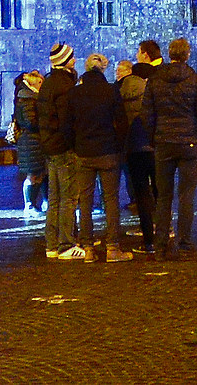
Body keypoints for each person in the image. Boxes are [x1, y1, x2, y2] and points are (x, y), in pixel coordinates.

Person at [138, 35, 197, 258]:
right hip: (189, 142)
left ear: (170, 54)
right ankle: (185, 241)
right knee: (187, 194)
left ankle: (160, 242)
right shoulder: (194, 80)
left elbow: (147, 113)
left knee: (163, 196)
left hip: (164, 143)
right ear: (187, 54)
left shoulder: (156, 79)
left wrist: (153, 138)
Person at [64, 53, 131, 262]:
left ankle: (88, 248)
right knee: (110, 200)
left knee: (85, 201)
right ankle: (112, 247)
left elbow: (67, 125)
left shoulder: (75, 93)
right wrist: (119, 147)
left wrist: (75, 146)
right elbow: (121, 122)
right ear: (102, 70)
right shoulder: (111, 91)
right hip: (108, 151)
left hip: (84, 152)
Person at [36, 43, 82, 260]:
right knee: (68, 198)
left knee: (54, 198)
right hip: (63, 147)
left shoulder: (48, 83)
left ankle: (51, 244)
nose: (75, 60)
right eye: (71, 57)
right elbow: (67, 119)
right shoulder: (64, 85)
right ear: (65, 60)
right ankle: (66, 244)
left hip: (50, 146)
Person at [117, 42, 160, 256]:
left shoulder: (124, 87)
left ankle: (148, 240)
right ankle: (163, 231)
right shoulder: (157, 84)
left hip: (134, 146)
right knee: (160, 190)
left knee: (141, 193)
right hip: (155, 144)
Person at [9, 72, 46, 219]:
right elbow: (30, 121)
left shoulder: (29, 98)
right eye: (39, 83)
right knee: (32, 174)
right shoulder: (27, 99)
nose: (41, 86)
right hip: (30, 140)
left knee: (38, 173)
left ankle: (34, 204)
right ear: (33, 84)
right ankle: (29, 205)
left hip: (34, 140)